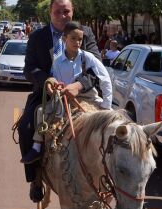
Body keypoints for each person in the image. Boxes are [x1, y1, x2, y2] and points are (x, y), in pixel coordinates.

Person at [18, 0, 100, 203]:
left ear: (73, 11)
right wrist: (46, 79)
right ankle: (35, 178)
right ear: (50, 12)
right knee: (26, 126)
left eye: (66, 11)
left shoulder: (85, 33)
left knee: (110, 127)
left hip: (82, 95)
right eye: (58, 12)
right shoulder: (38, 36)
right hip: (47, 94)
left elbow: (96, 68)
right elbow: (29, 69)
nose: (63, 16)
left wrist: (78, 85)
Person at [21, 21, 112, 164]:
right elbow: (55, 80)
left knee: (110, 118)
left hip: (87, 95)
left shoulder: (87, 57)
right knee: (40, 112)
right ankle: (37, 146)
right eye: (73, 39)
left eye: (80, 39)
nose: (77, 42)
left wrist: (107, 105)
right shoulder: (57, 62)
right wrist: (55, 87)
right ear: (64, 39)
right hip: (65, 97)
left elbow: (105, 78)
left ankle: (109, 154)